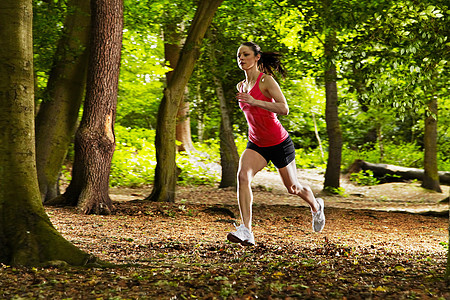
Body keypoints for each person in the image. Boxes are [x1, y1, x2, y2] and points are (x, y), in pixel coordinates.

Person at [226, 42, 325, 246]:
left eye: (245, 54)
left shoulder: (266, 81)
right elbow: (253, 118)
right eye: (238, 56)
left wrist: (255, 101)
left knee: (293, 188)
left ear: (257, 57)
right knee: (242, 177)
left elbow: (284, 108)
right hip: (256, 143)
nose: (241, 59)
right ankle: (246, 231)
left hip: (279, 143)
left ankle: (316, 206)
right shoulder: (241, 86)